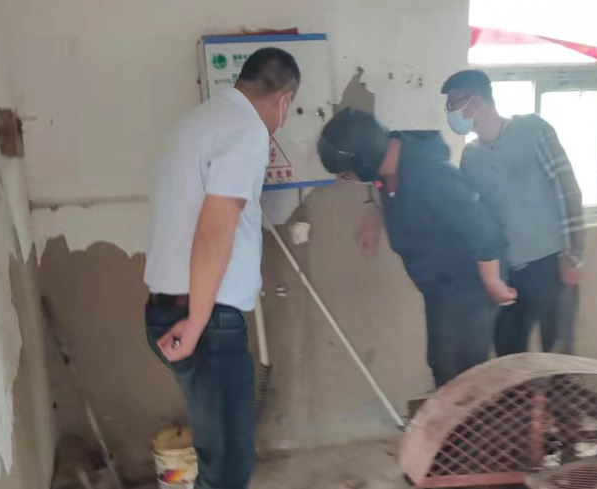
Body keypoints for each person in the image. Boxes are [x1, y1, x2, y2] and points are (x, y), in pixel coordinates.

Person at [144, 48, 300, 489]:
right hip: (205, 320)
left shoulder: (193, 123)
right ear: (284, 100)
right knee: (229, 467)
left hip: (173, 308)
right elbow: (215, 229)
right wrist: (197, 322)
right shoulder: (245, 129)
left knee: (222, 458)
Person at [317, 108, 516, 388]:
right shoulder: (388, 166)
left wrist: (492, 282)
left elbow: (482, 227)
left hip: (467, 286)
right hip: (441, 288)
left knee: (462, 375)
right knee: (441, 365)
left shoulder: (430, 173)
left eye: (347, 174)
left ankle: (468, 417)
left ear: (364, 160)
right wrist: (376, 214)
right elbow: (385, 187)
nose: (347, 180)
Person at [441, 70, 585, 357]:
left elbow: (566, 188)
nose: (450, 114)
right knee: (508, 353)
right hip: (507, 272)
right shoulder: (470, 157)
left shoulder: (534, 130)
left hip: (552, 264)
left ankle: (557, 387)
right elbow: (476, 217)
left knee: (559, 355)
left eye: (452, 105)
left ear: (474, 101)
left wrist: (573, 255)